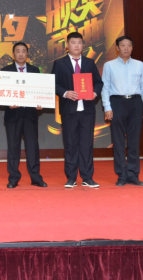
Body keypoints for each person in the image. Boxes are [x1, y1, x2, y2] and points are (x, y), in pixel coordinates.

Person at [51, 32, 103, 188]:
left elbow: (98, 83)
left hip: (87, 110)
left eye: (79, 42)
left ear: (83, 45)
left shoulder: (89, 62)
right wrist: (65, 93)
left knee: (87, 144)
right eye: (73, 42)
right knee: (70, 144)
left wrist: (94, 93)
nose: (76, 45)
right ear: (67, 45)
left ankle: (87, 177)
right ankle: (71, 178)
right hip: (69, 110)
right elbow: (53, 83)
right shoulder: (59, 63)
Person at [102, 36, 143, 186]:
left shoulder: (139, 65)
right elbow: (105, 88)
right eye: (123, 45)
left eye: (129, 45)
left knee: (134, 141)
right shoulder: (109, 65)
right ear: (117, 48)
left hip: (135, 103)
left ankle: (133, 174)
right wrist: (107, 107)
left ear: (132, 48)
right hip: (117, 102)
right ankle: (121, 175)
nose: (126, 48)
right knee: (118, 141)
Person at [1, 42, 47, 188]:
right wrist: (7, 102)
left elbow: (40, 90)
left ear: (27, 54)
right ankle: (13, 178)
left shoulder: (35, 70)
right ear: (13, 54)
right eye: (18, 51)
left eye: (23, 51)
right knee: (13, 148)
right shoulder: (5, 71)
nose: (21, 54)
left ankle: (36, 177)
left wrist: (40, 102)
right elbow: (0, 93)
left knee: (32, 147)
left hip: (30, 115)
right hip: (12, 115)